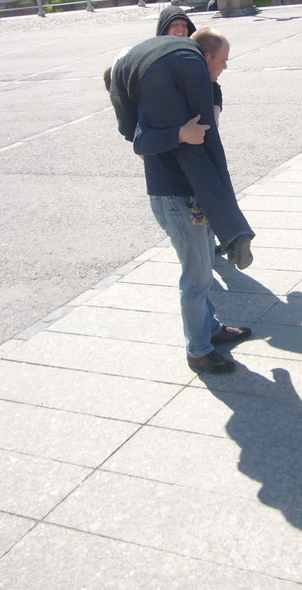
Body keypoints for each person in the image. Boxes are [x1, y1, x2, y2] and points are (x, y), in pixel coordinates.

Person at [110, 22, 255, 375]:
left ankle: (211, 329)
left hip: (191, 195)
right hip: (175, 198)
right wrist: (181, 133)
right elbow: (141, 141)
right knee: (197, 277)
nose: (225, 67)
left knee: (204, 266)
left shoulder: (178, 89)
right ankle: (198, 351)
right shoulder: (164, 92)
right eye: (222, 61)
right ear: (205, 57)